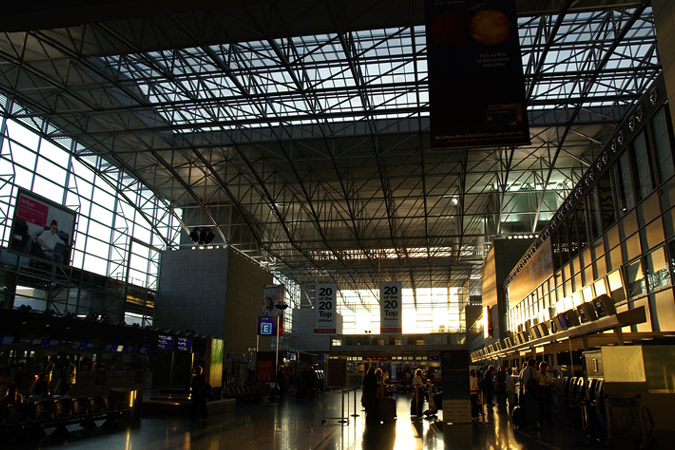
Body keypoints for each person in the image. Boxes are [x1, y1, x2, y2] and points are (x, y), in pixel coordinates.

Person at [520, 358, 543, 429]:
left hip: (526, 391)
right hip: (532, 391)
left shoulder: (524, 370)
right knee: (534, 408)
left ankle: (529, 422)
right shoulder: (532, 370)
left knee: (528, 408)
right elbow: (535, 379)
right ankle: (534, 423)